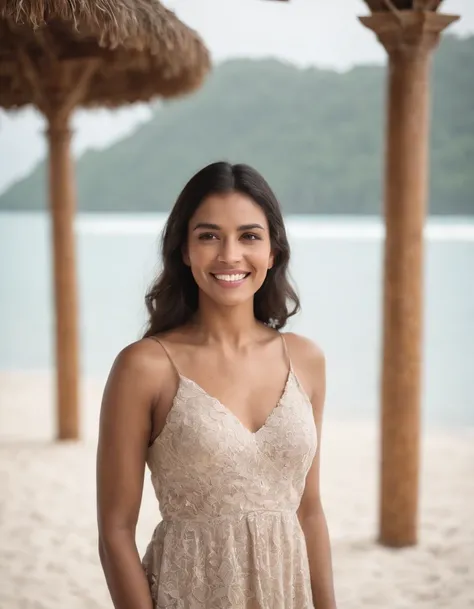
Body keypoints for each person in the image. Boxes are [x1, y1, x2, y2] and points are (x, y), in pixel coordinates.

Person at [96, 161, 337, 609]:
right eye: (208, 236)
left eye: (249, 236)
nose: (229, 255)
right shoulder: (144, 366)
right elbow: (114, 531)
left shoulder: (306, 360)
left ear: (272, 251)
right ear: (184, 250)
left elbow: (309, 510)